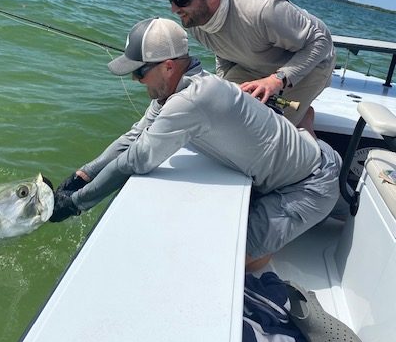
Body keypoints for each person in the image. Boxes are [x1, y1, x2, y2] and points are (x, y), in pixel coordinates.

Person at [50, 17, 341, 271]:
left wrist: (76, 204)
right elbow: (134, 135)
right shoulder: (179, 88)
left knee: (230, 262)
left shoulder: (190, 101)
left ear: (167, 67)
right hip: (304, 157)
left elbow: (136, 160)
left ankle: (272, 244)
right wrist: (82, 175)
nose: (137, 81)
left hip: (307, 187)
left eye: (139, 72)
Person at [149, 0, 336, 128]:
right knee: (214, 111)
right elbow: (224, 52)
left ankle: (308, 129)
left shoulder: (263, 10)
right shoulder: (195, 22)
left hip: (311, 63)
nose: (174, 9)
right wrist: (224, 85)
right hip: (254, 64)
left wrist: (276, 80)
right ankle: (300, 114)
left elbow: (322, 42)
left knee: (268, 132)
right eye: (171, 0)